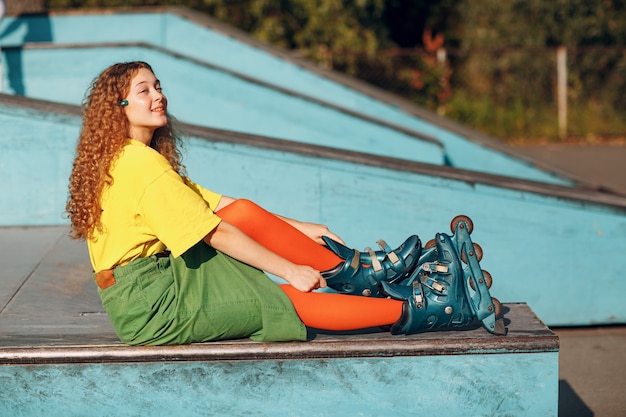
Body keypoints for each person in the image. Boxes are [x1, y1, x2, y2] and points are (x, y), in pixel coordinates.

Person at [66, 61, 500, 346]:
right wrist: (288, 266)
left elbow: (225, 208)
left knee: (243, 212)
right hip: (153, 305)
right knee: (284, 300)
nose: (158, 95)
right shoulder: (139, 165)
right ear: (118, 108)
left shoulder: (135, 158)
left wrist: (301, 230)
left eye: (158, 85)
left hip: (153, 283)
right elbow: (215, 232)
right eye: (144, 91)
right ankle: (424, 308)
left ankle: (356, 271)